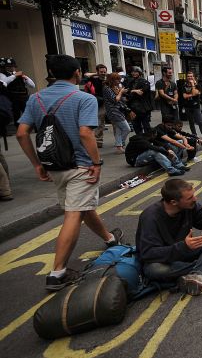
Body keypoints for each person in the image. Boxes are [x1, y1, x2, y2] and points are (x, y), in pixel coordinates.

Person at [16, 54, 123, 290]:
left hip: (54, 165)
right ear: (77, 73)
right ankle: (58, 273)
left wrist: (36, 164)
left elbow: (22, 133)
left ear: (52, 74)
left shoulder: (36, 99)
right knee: (74, 213)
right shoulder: (84, 98)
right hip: (80, 165)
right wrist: (96, 163)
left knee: (80, 206)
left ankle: (109, 238)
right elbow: (86, 133)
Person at [136, 179, 202, 295]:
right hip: (167, 259)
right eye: (190, 198)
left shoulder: (189, 206)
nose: (195, 199)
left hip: (188, 250)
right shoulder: (150, 217)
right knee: (154, 270)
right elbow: (148, 253)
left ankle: (196, 273)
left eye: (193, 195)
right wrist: (183, 246)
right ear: (174, 202)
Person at [0, 57, 35, 125]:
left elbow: (32, 85)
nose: (12, 68)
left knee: (28, 113)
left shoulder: (19, 74)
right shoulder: (2, 75)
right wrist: (15, 76)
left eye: (13, 66)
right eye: (9, 66)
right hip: (13, 98)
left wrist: (26, 78)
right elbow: (4, 82)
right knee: (16, 115)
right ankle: (18, 128)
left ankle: (31, 126)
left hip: (24, 97)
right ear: (6, 67)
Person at [102, 72, 131, 153]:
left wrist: (122, 92)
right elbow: (115, 100)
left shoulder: (114, 87)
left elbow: (119, 99)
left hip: (118, 111)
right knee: (127, 129)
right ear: (112, 80)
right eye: (117, 79)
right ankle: (121, 144)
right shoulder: (106, 88)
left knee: (118, 130)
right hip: (114, 112)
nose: (119, 81)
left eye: (119, 79)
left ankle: (119, 147)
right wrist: (121, 92)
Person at [83, 64, 107, 148]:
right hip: (95, 103)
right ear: (97, 71)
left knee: (102, 123)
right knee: (98, 122)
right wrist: (96, 74)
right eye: (101, 72)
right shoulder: (94, 79)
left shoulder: (107, 80)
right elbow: (86, 75)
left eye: (104, 72)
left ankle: (99, 140)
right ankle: (97, 141)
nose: (103, 73)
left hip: (106, 103)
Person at [123, 66, 153, 135]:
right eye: (133, 72)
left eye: (136, 72)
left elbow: (141, 92)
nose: (134, 73)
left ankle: (148, 141)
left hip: (143, 107)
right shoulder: (130, 82)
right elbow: (125, 92)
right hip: (133, 107)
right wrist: (133, 91)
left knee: (146, 126)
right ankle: (140, 140)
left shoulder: (144, 82)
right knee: (136, 126)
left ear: (139, 73)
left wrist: (131, 92)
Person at [181, 71, 202, 141]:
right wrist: (193, 94)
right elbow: (184, 96)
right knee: (191, 123)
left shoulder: (198, 85)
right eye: (188, 76)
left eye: (191, 76)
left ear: (194, 77)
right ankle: (195, 137)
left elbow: (195, 92)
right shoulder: (184, 85)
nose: (190, 78)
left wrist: (193, 85)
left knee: (200, 122)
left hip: (196, 106)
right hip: (187, 106)